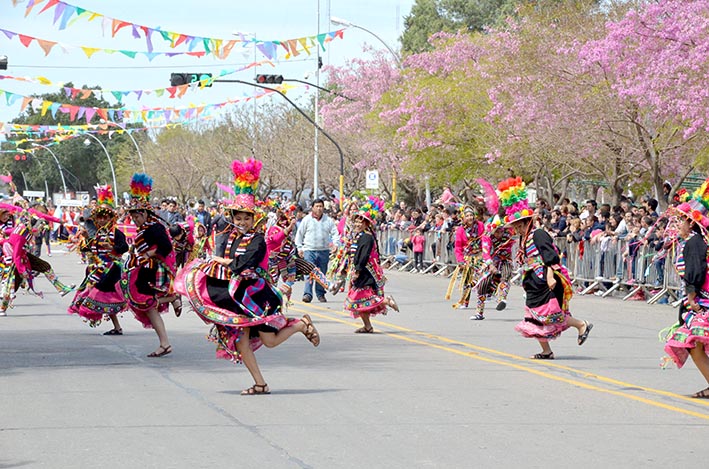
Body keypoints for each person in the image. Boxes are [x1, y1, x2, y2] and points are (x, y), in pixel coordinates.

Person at [176, 158, 320, 395]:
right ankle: (260, 384)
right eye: (238, 218)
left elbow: (243, 264)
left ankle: (300, 325)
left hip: (256, 297)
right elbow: (222, 259)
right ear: (232, 218)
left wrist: (222, 261)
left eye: (246, 218)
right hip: (237, 297)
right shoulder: (229, 237)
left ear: (255, 220)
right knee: (243, 344)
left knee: (270, 342)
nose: (241, 222)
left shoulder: (258, 240)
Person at [499, 177, 593, 359]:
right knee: (534, 316)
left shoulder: (539, 234)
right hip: (532, 281)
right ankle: (546, 350)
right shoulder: (524, 238)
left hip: (545, 280)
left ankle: (581, 324)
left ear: (525, 223)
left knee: (551, 314)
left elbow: (551, 257)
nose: (515, 230)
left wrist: (550, 277)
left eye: (517, 226)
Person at [120, 173, 180, 357]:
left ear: (145, 213)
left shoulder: (155, 227)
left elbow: (166, 247)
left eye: (137, 216)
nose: (135, 220)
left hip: (154, 270)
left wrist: (148, 254)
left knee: (144, 301)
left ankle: (172, 298)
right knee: (148, 307)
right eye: (133, 217)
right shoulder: (145, 228)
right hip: (145, 268)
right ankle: (165, 343)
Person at [663, 181, 709, 397]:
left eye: (681, 220)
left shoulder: (695, 242)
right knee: (694, 346)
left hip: (701, 301)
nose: (677, 224)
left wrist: (691, 298)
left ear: (692, 223)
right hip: (698, 300)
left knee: (694, 343)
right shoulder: (691, 242)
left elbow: (696, 272)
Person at [68, 185, 129, 334]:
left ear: (110, 218)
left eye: (105, 217)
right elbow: (87, 249)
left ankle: (102, 319)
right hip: (97, 268)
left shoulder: (116, 233)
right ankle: (117, 327)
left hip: (112, 268)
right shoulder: (97, 233)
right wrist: (86, 239)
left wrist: (112, 249)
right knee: (104, 297)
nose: (102, 220)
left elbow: (125, 247)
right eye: (99, 217)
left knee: (98, 293)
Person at [344, 196, 399, 333]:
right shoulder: (360, 236)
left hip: (365, 272)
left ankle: (386, 301)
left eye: (360, 222)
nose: (357, 224)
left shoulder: (367, 237)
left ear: (367, 224)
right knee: (361, 302)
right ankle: (367, 326)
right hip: (360, 270)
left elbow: (363, 256)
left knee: (360, 297)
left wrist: (357, 271)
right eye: (356, 221)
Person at [295, 198, 339, 303]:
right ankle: (307, 294)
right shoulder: (307, 219)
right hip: (309, 250)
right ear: (312, 207)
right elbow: (299, 235)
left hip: (323, 251)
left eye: (321, 206)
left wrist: (335, 244)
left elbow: (335, 233)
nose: (319, 209)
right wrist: (299, 248)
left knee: (321, 273)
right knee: (309, 272)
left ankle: (320, 294)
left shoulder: (328, 220)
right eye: (317, 206)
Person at [472, 215, 515, 320]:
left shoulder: (509, 233)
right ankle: (479, 312)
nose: (499, 234)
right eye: (497, 232)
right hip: (491, 261)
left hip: (505, 259)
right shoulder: (487, 237)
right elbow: (485, 252)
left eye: (501, 231)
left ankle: (502, 298)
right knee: (483, 284)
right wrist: (491, 265)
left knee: (506, 273)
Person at [445, 204, 485, 309]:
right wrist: (460, 260)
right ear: (464, 218)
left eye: (471, 215)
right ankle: (464, 301)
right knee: (467, 280)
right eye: (467, 216)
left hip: (480, 256)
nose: (470, 218)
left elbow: (486, 239)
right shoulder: (460, 230)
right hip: (468, 257)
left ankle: (488, 294)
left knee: (482, 276)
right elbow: (458, 247)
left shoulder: (480, 225)